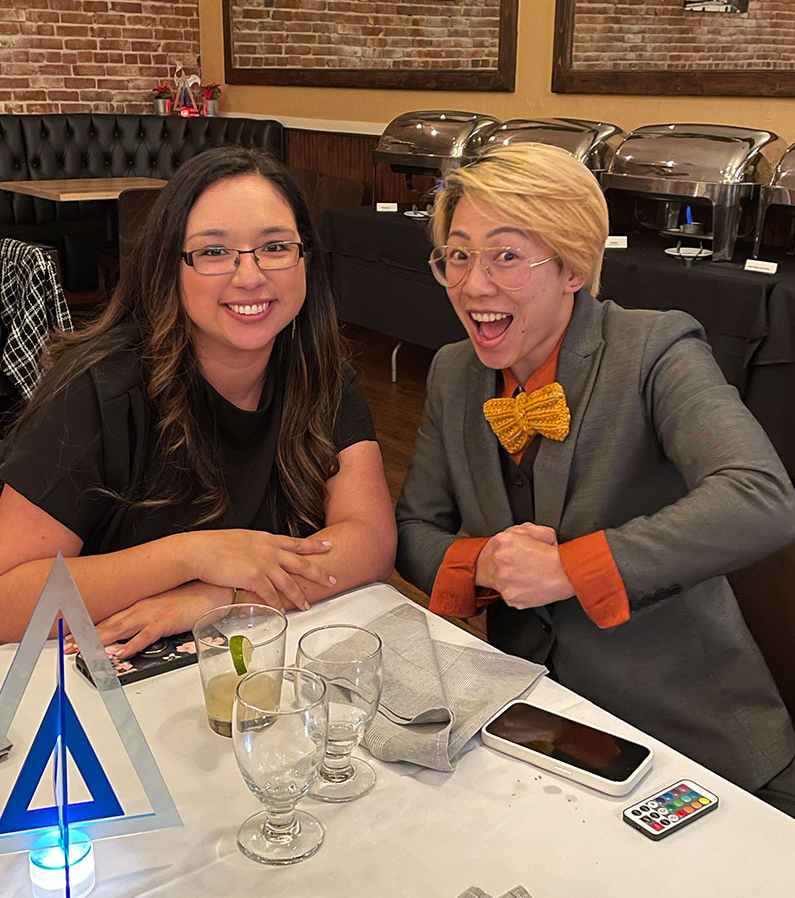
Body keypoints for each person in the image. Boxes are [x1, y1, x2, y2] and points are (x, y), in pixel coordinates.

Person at [395, 142, 795, 813]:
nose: (471, 285)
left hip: (693, 740)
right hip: (538, 728)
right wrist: (484, 563)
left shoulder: (656, 349)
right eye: (457, 255)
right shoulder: (451, 373)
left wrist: (569, 569)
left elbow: (760, 497)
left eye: (505, 255)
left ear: (573, 266)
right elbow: (412, 528)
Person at [0, 147, 396, 656]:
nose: (250, 276)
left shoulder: (321, 372)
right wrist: (190, 556)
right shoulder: (98, 391)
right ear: (170, 268)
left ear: (306, 261)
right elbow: (7, 599)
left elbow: (370, 540)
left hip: (258, 665)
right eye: (213, 252)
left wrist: (218, 599)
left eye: (275, 246)